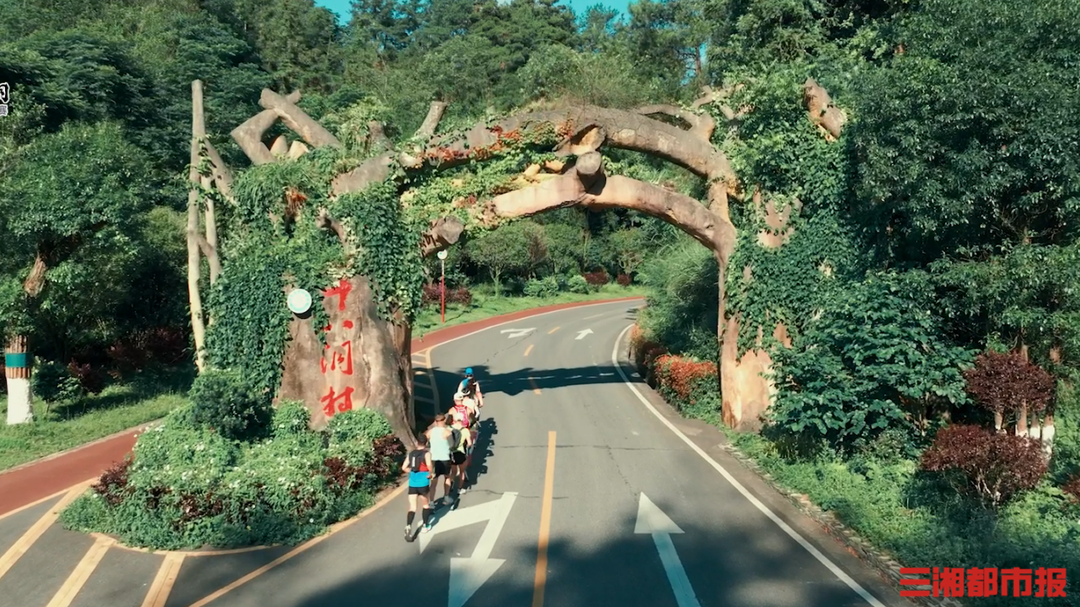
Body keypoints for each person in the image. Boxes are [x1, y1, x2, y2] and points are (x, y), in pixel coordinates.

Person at [402, 434, 434, 541]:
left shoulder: (411, 454)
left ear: (417, 443)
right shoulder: (426, 453)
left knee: (412, 507)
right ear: (426, 443)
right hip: (423, 482)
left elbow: (404, 467)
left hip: (412, 483)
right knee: (425, 505)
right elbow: (429, 466)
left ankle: (408, 526)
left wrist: (411, 472)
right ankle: (425, 525)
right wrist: (430, 473)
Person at [425, 414, 454, 508]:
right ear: (444, 420)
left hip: (434, 459)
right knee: (447, 477)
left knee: (434, 481)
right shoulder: (447, 432)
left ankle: (432, 502)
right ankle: (446, 497)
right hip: (445, 458)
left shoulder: (430, 432)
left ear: (436, 421)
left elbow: (425, 441)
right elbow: (452, 445)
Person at [447, 412, 471, 506]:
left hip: (451, 453)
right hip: (460, 453)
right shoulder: (465, 430)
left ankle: (450, 486)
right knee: (461, 472)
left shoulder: (448, 429)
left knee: (453, 472)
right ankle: (459, 489)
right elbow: (469, 443)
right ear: (462, 420)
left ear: (454, 419)